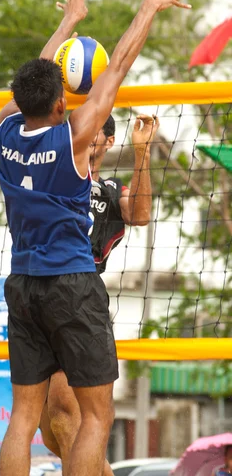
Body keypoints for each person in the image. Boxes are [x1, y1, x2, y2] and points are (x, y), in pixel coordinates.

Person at [0, 0, 191, 476]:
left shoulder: (4, 125)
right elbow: (119, 65)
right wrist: (148, 7)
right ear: (61, 102)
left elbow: (32, 82)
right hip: (73, 286)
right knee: (96, 419)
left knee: (22, 418)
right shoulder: (78, 137)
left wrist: (68, 23)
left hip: (22, 286)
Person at [39, 112, 159, 475]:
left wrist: (142, 154)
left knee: (66, 418)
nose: (87, 138)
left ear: (108, 142)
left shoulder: (109, 190)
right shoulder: (54, 172)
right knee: (51, 433)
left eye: (95, 133)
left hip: (82, 295)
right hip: (39, 291)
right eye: (81, 131)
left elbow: (139, 215)